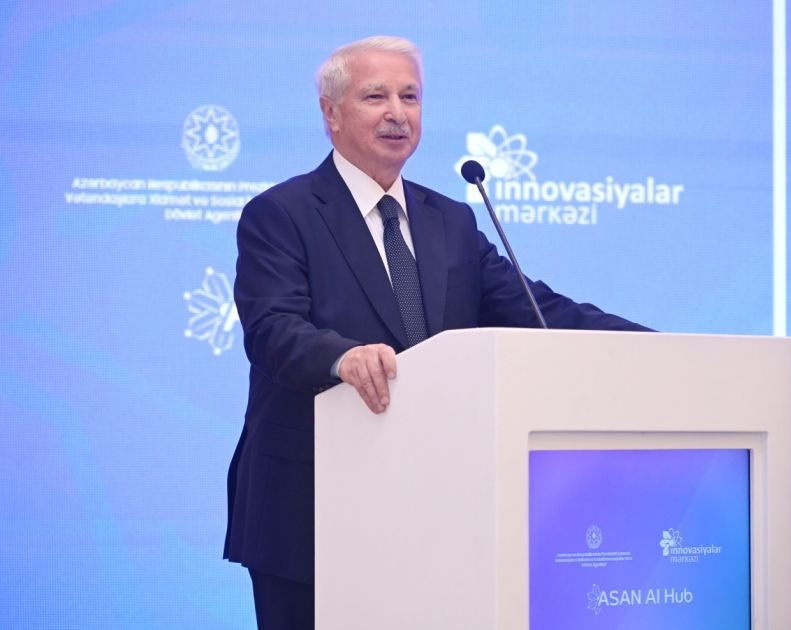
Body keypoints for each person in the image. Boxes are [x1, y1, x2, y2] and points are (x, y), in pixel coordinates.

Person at [224, 35, 651, 629]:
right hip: (311, 509)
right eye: (376, 96)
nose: (397, 113)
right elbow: (273, 329)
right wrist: (343, 358)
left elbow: (537, 310)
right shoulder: (282, 213)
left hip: (434, 508)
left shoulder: (450, 219)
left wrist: (654, 346)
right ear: (331, 113)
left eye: (410, 96)